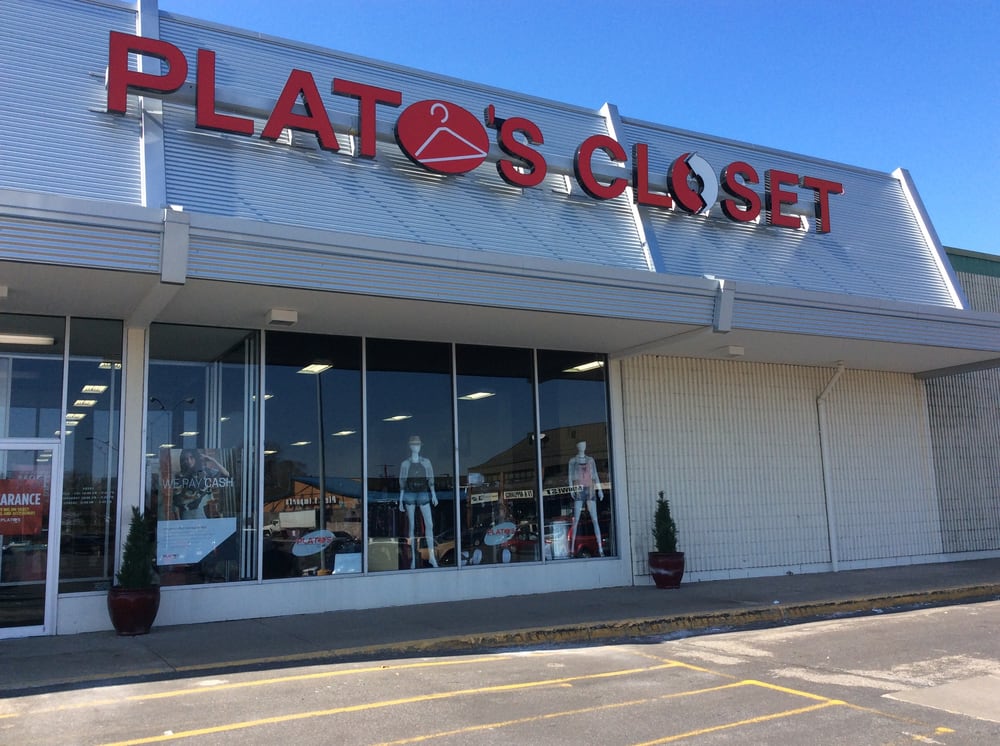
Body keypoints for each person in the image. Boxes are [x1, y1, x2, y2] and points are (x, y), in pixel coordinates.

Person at [398, 435, 438, 568]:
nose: (416, 447)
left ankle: (431, 556)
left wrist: (433, 494)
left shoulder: (426, 462)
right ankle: (413, 560)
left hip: (423, 492)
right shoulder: (405, 464)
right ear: (410, 446)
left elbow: (431, 478)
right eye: (414, 444)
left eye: (418, 444)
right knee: (412, 527)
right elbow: (402, 482)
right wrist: (400, 500)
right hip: (409, 494)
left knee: (429, 524)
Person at [568, 440, 605, 557]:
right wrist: (571, 489)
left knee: (595, 519)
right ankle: (572, 550)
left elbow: (595, 475)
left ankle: (600, 549)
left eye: (584, 444)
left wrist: (600, 489)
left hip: (590, 489)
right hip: (579, 489)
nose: (582, 446)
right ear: (577, 446)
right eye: (580, 444)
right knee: (576, 520)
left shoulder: (590, 460)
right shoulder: (573, 461)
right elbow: (570, 476)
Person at [175, 448, 229, 520]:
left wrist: (213, 460)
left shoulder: (204, 471)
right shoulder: (181, 475)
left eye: (191, 457)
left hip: (200, 512)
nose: (189, 461)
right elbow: (176, 501)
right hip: (186, 513)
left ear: (195, 458)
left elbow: (226, 474)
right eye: (186, 459)